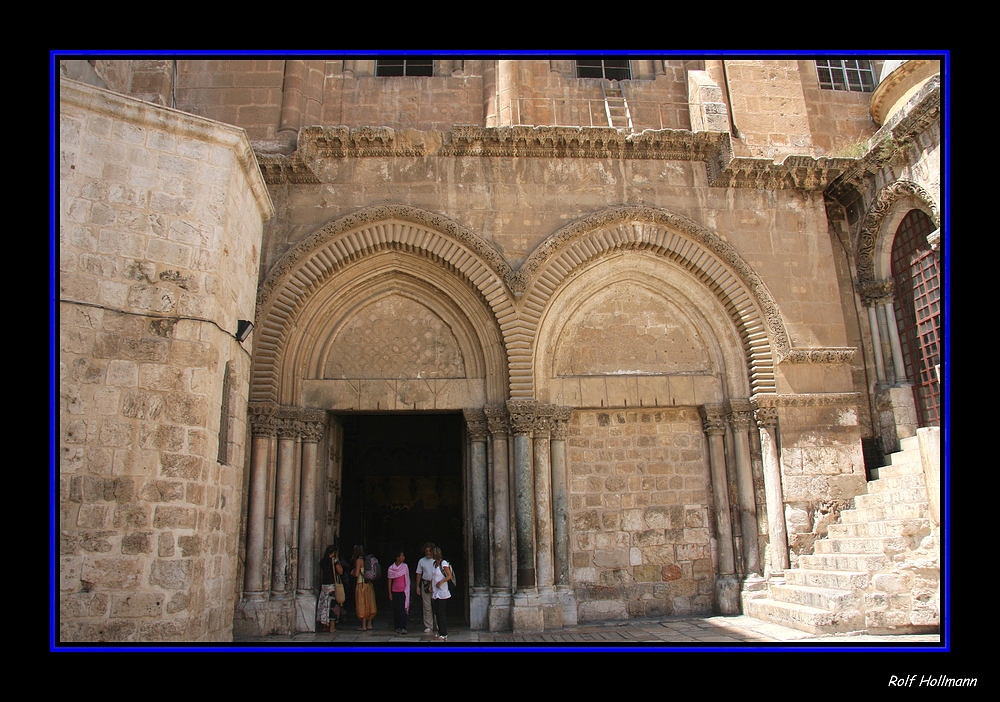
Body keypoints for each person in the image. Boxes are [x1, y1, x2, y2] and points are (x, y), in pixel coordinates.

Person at [317, 545, 344, 632]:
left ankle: (324, 625)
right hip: (332, 585)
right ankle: (332, 627)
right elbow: (340, 571)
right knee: (333, 606)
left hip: (324, 585)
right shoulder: (334, 560)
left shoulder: (323, 561)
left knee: (324, 605)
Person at [351, 544, 377, 631]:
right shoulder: (367, 559)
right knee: (369, 603)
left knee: (362, 603)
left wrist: (352, 572)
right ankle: (369, 624)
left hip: (361, 584)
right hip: (369, 584)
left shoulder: (359, 560)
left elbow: (357, 574)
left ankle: (363, 625)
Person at [414, 542, 437, 633]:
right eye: (426, 551)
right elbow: (418, 574)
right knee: (427, 606)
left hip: (436, 585)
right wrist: (417, 586)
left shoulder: (437, 560)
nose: (428, 553)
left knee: (437, 606)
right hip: (425, 584)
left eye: (429, 551)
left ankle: (438, 624)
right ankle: (428, 625)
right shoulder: (421, 561)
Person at [430, 546, 452, 641]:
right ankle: (439, 631)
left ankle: (444, 632)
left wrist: (441, 582)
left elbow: (449, 576)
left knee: (441, 612)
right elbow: (433, 576)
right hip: (435, 592)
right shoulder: (434, 564)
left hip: (443, 591)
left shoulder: (443, 563)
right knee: (436, 612)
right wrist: (432, 586)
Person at [386, 549, 410, 634]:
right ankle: (397, 626)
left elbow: (407, 579)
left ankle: (403, 627)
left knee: (402, 609)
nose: (403, 557)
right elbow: (390, 581)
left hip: (403, 591)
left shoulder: (405, 567)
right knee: (396, 610)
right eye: (402, 556)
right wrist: (389, 593)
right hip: (395, 591)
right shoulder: (391, 568)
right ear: (397, 558)